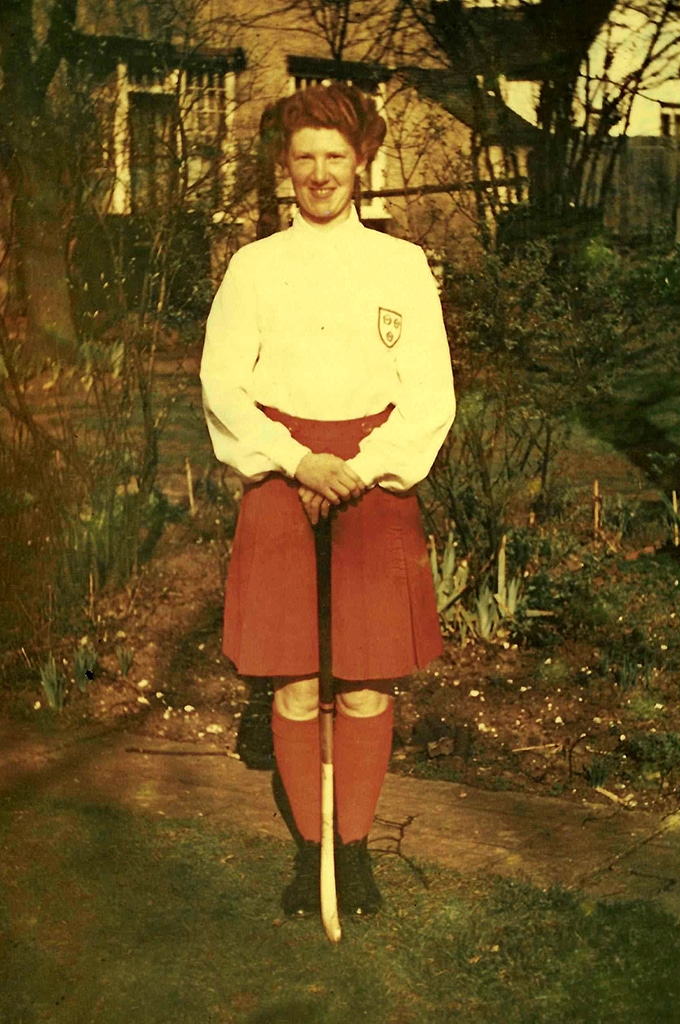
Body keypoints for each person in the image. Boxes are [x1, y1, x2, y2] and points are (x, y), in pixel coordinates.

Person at [200, 82, 455, 918]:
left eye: (334, 157)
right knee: (297, 686)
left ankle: (354, 852)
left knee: (365, 684)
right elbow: (223, 387)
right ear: (284, 164)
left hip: (371, 488)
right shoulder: (253, 266)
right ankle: (309, 850)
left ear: (361, 162)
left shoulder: (399, 265)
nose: (319, 173)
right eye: (304, 156)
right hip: (282, 482)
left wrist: (360, 467)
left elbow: (430, 395)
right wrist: (297, 461)